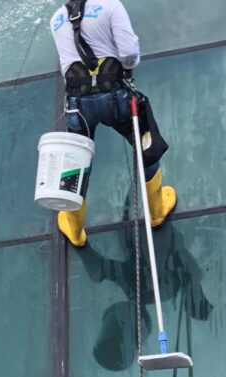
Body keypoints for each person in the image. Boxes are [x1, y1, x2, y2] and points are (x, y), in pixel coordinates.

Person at [49, 0, 177, 247]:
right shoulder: (110, 5)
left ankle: (75, 230)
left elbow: (67, 64)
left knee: (76, 163)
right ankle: (157, 211)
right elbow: (129, 53)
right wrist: (126, 69)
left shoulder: (56, 19)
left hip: (79, 106)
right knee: (146, 146)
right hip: (116, 99)